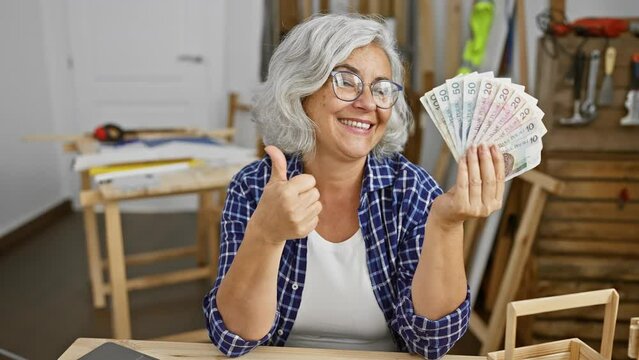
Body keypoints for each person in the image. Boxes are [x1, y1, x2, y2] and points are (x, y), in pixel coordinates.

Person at [203, 13, 505, 359]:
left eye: (381, 88)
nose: (367, 103)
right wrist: (266, 235)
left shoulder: (413, 190)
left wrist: (447, 225)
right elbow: (235, 339)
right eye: (346, 81)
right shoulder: (253, 187)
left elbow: (431, 343)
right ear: (302, 91)